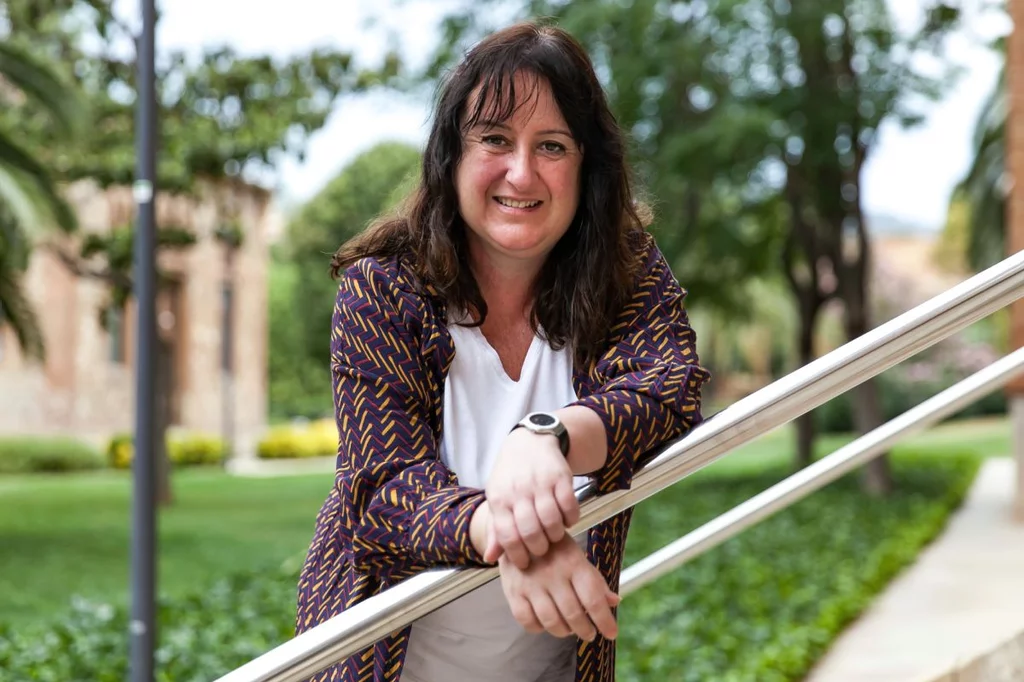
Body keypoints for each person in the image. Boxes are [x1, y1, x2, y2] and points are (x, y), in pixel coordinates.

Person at [295, 20, 710, 682]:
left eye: (551, 145)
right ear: (451, 155)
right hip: (379, 666)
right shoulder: (383, 289)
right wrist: (510, 532)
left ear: (586, 168)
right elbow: (384, 492)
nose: (520, 172)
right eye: (494, 139)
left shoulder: (625, 270)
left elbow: (670, 388)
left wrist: (544, 438)